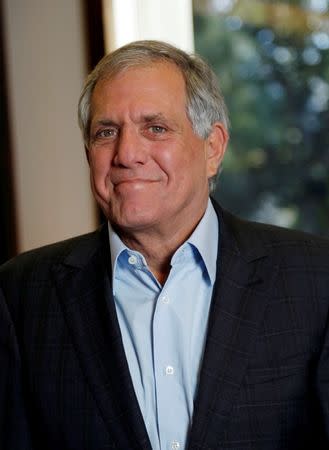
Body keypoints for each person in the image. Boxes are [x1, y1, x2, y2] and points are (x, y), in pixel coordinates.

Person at [0, 40, 329, 450]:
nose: (127, 154)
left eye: (155, 128)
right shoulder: (21, 294)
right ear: (89, 154)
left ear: (213, 148)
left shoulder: (316, 279)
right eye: (106, 132)